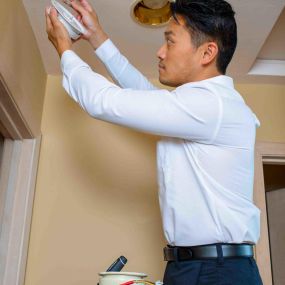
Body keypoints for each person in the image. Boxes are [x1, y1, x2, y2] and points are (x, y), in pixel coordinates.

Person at [45, 0, 263, 284]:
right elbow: (143, 94)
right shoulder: (201, 107)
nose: (160, 53)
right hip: (195, 265)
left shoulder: (212, 105)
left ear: (207, 52)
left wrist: (65, 50)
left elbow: (104, 102)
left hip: (215, 270)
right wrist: (97, 37)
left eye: (170, 42)